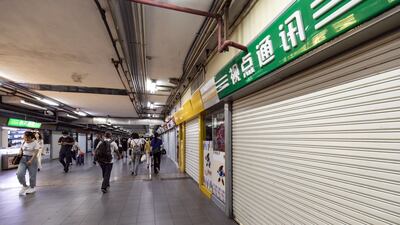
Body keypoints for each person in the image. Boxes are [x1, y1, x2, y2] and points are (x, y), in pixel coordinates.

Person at [16, 131, 40, 195]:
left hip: (32, 159)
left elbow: (35, 153)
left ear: (31, 137)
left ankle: (32, 187)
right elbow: (21, 149)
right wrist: (20, 153)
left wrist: (31, 160)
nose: (26, 139)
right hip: (23, 159)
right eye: (25, 137)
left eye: (27, 138)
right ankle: (24, 186)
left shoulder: (35, 143)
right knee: (19, 174)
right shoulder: (23, 142)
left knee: (32, 175)